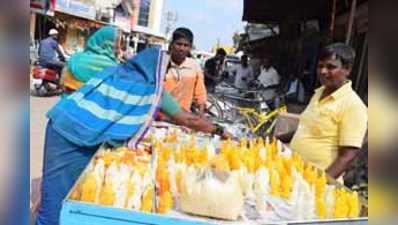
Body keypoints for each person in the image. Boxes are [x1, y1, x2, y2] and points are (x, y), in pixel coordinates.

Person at [35, 48, 231, 225]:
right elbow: (188, 119)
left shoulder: (114, 72)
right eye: (164, 70)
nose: (164, 76)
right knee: (55, 202)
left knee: (64, 191)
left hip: (65, 122)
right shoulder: (150, 90)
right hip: (70, 133)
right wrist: (218, 130)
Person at [279, 43, 368, 180]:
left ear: (347, 69)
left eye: (331, 67)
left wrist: (319, 184)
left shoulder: (353, 105)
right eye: (320, 66)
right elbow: (306, 129)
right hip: (294, 173)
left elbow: (347, 156)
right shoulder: (318, 93)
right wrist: (275, 140)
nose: (323, 71)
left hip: (315, 183)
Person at [62, 26, 121, 94]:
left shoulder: (75, 58)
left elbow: (63, 84)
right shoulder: (114, 68)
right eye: (117, 44)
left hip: (68, 102)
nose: (119, 48)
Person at [164, 27, 207, 114]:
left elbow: (200, 93)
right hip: (160, 115)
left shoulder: (194, 66)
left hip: (183, 117)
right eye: (178, 44)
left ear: (190, 47)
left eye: (185, 45)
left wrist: (200, 113)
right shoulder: (161, 63)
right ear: (172, 44)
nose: (181, 48)